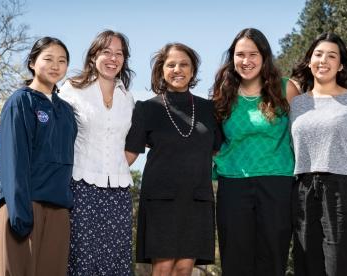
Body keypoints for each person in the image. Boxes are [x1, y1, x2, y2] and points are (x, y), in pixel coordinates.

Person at [125, 42, 221, 276]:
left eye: (184, 64)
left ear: (193, 71)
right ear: (161, 71)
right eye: (171, 65)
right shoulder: (146, 109)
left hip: (197, 197)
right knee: (164, 267)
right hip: (161, 199)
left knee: (184, 268)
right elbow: (129, 154)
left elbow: (218, 150)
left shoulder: (210, 109)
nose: (178, 69)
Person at [211, 28, 299, 276]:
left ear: (264, 57)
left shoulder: (287, 89)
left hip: (277, 182)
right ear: (232, 58)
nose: (246, 61)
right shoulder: (222, 94)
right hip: (233, 185)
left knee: (272, 258)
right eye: (240, 55)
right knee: (235, 260)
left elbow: (302, 135)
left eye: (253, 54)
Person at [289, 32, 347, 276]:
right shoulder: (297, 103)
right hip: (303, 188)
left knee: (340, 264)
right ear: (309, 61)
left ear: (341, 65)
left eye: (331, 56)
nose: (323, 60)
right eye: (318, 54)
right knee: (306, 261)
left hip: (344, 187)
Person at [0, 37, 76, 276]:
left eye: (62, 61)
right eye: (48, 59)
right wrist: (20, 213)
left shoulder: (66, 111)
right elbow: (13, 159)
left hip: (58, 209)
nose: (55, 66)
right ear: (32, 62)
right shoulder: (20, 102)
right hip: (23, 205)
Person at [58, 30, 135, 275]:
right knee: (81, 259)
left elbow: (131, 144)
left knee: (116, 260)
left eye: (119, 53)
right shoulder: (71, 90)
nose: (113, 58)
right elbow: (58, 137)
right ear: (93, 56)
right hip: (81, 188)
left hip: (119, 192)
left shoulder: (128, 98)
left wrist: (120, 164)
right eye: (106, 52)